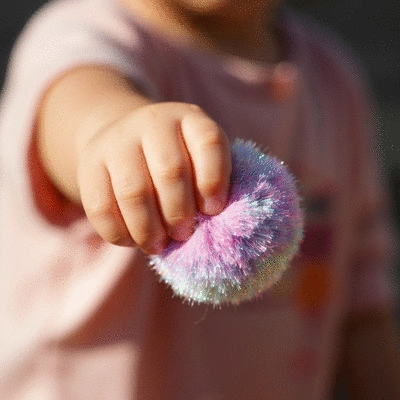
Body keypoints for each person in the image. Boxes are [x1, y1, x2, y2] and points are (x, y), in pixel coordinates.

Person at [0, 0, 399, 398]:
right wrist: (112, 131)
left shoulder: (332, 77)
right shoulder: (85, 33)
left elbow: (362, 292)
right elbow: (74, 103)